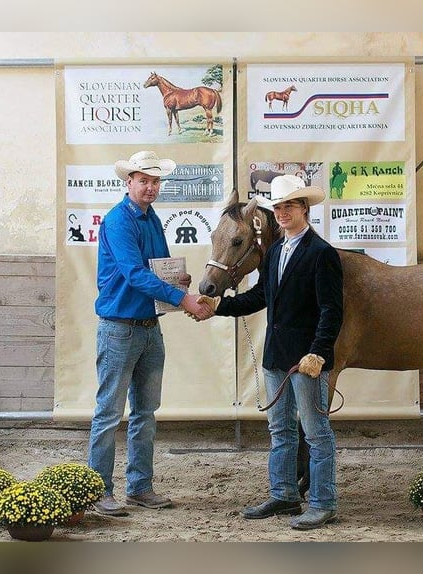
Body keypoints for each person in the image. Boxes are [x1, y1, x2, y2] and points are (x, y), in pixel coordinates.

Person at [197, 174, 344, 530]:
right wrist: (218, 306)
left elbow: (332, 310)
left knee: (316, 431)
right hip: (276, 356)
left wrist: (319, 353)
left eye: (289, 206)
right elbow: (261, 297)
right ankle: (284, 494)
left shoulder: (322, 253)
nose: (282, 212)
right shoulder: (275, 251)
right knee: (280, 431)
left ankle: (323, 503)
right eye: (278, 206)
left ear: (304, 209)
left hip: (306, 360)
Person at [89, 150, 212, 516]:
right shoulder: (118, 221)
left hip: (146, 327)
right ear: (128, 183)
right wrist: (183, 297)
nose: (150, 187)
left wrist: (178, 281)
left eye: (155, 181)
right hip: (120, 329)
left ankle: (140, 487)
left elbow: (154, 268)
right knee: (109, 413)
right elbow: (134, 274)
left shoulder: (151, 218)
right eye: (143, 180)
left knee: (145, 411)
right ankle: (99, 490)